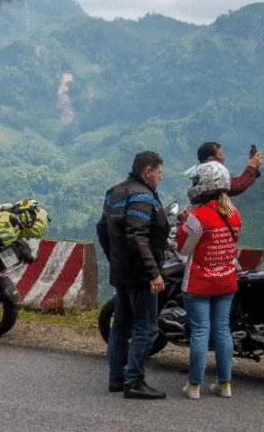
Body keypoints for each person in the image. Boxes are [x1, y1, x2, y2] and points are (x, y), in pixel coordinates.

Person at [97, 151, 169, 400]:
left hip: (122, 272)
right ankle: (135, 381)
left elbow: (101, 229)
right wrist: (153, 272)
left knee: (120, 326)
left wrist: (113, 258)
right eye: (159, 173)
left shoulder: (114, 192)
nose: (160, 178)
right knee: (146, 328)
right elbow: (138, 235)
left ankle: (116, 379)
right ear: (148, 172)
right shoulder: (141, 195)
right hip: (140, 274)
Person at [177, 161, 240, 399]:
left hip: (199, 282)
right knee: (223, 330)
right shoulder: (234, 213)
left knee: (201, 332)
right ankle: (225, 385)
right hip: (226, 280)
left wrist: (183, 224)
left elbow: (184, 249)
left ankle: (194, 386)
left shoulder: (197, 216)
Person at [194, 141, 262, 197]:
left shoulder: (200, 175)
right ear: (211, 159)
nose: (223, 158)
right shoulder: (210, 176)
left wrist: (253, 168)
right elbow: (237, 186)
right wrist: (252, 166)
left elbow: (235, 181)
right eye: (220, 155)